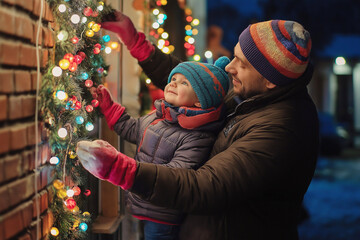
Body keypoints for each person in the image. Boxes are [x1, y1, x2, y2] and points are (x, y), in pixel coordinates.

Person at [77, 12, 319, 240]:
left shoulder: (282, 128)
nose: (229, 67)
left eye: (242, 64)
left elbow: (208, 185)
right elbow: (196, 86)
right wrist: (135, 42)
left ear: (270, 80)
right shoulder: (254, 95)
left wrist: (122, 170)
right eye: (234, 55)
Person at [79, 56, 230, 240]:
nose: (173, 84)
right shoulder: (160, 116)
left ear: (200, 102)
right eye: (174, 79)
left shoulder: (198, 136)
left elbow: (177, 175)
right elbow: (133, 129)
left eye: (184, 83)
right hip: (143, 203)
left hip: (164, 214)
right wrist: (109, 107)